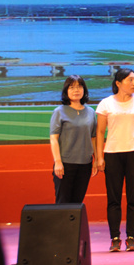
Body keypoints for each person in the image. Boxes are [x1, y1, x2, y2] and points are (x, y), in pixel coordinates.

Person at [95, 68, 134, 252]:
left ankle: (131, 237)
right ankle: (114, 238)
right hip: (112, 153)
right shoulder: (106, 104)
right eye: (130, 80)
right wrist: (99, 156)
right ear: (118, 83)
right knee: (113, 198)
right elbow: (100, 132)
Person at [49, 75, 97, 204]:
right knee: (63, 203)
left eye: (79, 87)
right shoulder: (59, 111)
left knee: (77, 203)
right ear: (66, 90)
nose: (76, 90)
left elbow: (93, 137)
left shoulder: (91, 112)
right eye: (72, 87)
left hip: (85, 164)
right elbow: (54, 138)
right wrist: (58, 162)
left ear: (84, 90)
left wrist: (96, 159)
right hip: (66, 164)